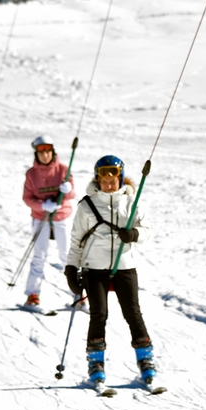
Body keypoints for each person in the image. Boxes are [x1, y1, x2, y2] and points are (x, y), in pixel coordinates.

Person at [64, 155, 157, 388]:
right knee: (99, 314)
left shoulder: (132, 202)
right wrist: (71, 269)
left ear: (120, 178)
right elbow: (76, 240)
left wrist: (134, 235)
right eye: (103, 179)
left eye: (112, 178)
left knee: (133, 313)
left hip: (124, 265)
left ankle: (146, 362)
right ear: (98, 179)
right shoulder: (87, 205)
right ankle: (96, 367)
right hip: (94, 266)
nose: (108, 183)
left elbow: (147, 230)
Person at [21, 136, 75, 307]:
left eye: (48, 151)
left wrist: (68, 190)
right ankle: (33, 295)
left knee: (67, 255)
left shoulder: (63, 170)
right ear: (36, 154)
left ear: (53, 152)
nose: (45, 155)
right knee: (39, 255)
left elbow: (71, 195)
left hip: (61, 217)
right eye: (41, 152)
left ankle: (79, 294)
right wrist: (42, 205)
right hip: (41, 218)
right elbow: (27, 198)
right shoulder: (31, 174)